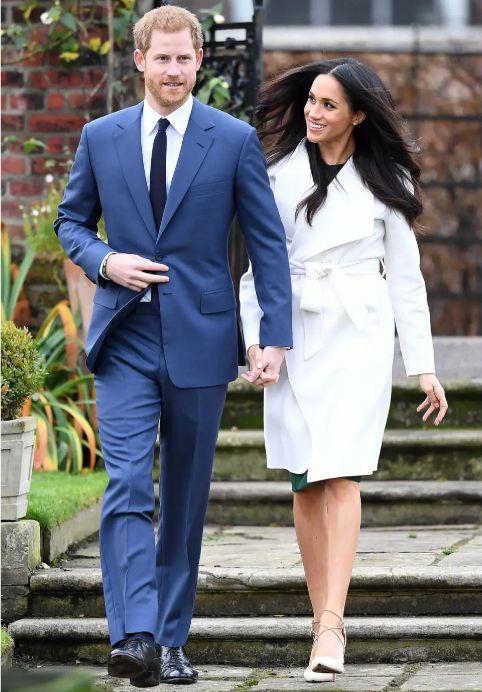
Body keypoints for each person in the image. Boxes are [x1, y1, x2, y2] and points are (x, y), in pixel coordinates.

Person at [54, 6, 292, 687]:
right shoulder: (101, 137)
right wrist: (107, 262)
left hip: (201, 337)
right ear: (140, 61)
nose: (174, 70)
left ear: (198, 61)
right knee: (129, 482)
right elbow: (71, 221)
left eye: (184, 58)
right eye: (162, 58)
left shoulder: (233, 140)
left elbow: (267, 243)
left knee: (184, 496)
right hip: (125, 336)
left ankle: (170, 638)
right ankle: (133, 636)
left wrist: (272, 337)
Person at [239, 58, 448, 683]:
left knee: (342, 473)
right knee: (305, 480)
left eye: (328, 104)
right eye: (311, 100)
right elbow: (256, 269)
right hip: (294, 334)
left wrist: (424, 366)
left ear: (358, 115)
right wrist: (257, 342)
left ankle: (333, 622)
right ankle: (319, 618)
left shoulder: (386, 182)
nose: (313, 112)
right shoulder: (276, 175)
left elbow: (406, 280)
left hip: (358, 335)